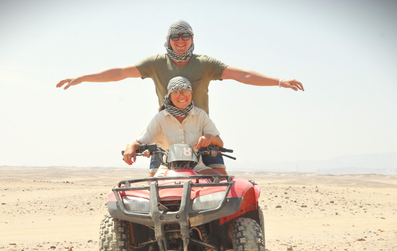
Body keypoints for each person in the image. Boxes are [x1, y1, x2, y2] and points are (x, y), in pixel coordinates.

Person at [56, 20, 304, 174]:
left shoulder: (205, 64)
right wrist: (82, 78)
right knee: (153, 188)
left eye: (185, 36)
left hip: (201, 135)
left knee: (222, 188)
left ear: (192, 39)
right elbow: (120, 72)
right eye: (175, 37)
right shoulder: (156, 63)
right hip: (166, 137)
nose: (180, 41)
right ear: (169, 41)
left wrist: (279, 82)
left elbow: (243, 76)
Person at [122, 76, 224, 177]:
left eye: (186, 91)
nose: (182, 96)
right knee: (153, 189)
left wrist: (209, 137)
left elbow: (220, 143)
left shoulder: (201, 115)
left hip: (198, 167)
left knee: (224, 183)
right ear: (169, 96)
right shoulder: (161, 118)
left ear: (191, 93)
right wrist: (130, 146)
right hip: (167, 168)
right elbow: (141, 141)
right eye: (176, 92)